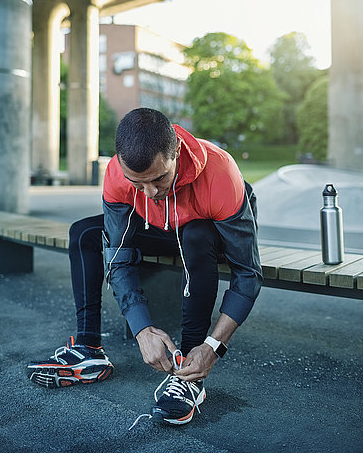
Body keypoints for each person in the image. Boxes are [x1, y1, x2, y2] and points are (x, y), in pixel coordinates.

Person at [27, 108, 262, 425]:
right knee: (83, 233)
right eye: (138, 184)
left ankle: (189, 372)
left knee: (195, 234)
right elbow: (118, 254)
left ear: (176, 151)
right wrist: (141, 329)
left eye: (159, 178)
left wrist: (213, 347)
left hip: (214, 231)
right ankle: (89, 348)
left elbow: (247, 274)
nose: (150, 192)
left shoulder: (220, 174)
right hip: (163, 226)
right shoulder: (116, 174)